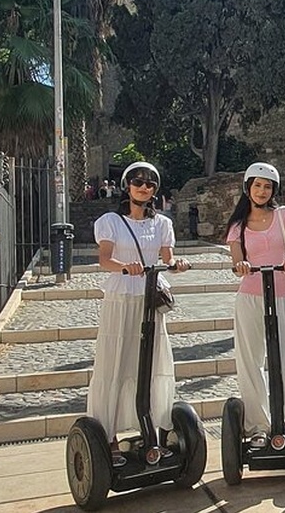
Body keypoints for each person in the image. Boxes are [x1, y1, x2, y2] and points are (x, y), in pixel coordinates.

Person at [88, 161, 191, 467]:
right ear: (127, 185)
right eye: (138, 182)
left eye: (150, 184)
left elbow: (167, 258)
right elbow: (104, 259)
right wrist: (124, 266)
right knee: (117, 361)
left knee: (152, 361)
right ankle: (109, 437)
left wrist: (178, 264)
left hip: (150, 296)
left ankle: (154, 433)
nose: (144, 187)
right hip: (122, 295)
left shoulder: (162, 224)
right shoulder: (111, 221)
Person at [225, 162, 285, 448]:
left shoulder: (284, 213)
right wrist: (241, 265)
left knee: (284, 359)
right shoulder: (238, 224)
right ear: (247, 187)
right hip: (250, 294)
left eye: (268, 186)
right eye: (257, 185)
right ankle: (258, 426)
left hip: (282, 292)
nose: (262, 191)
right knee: (250, 362)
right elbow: (236, 256)